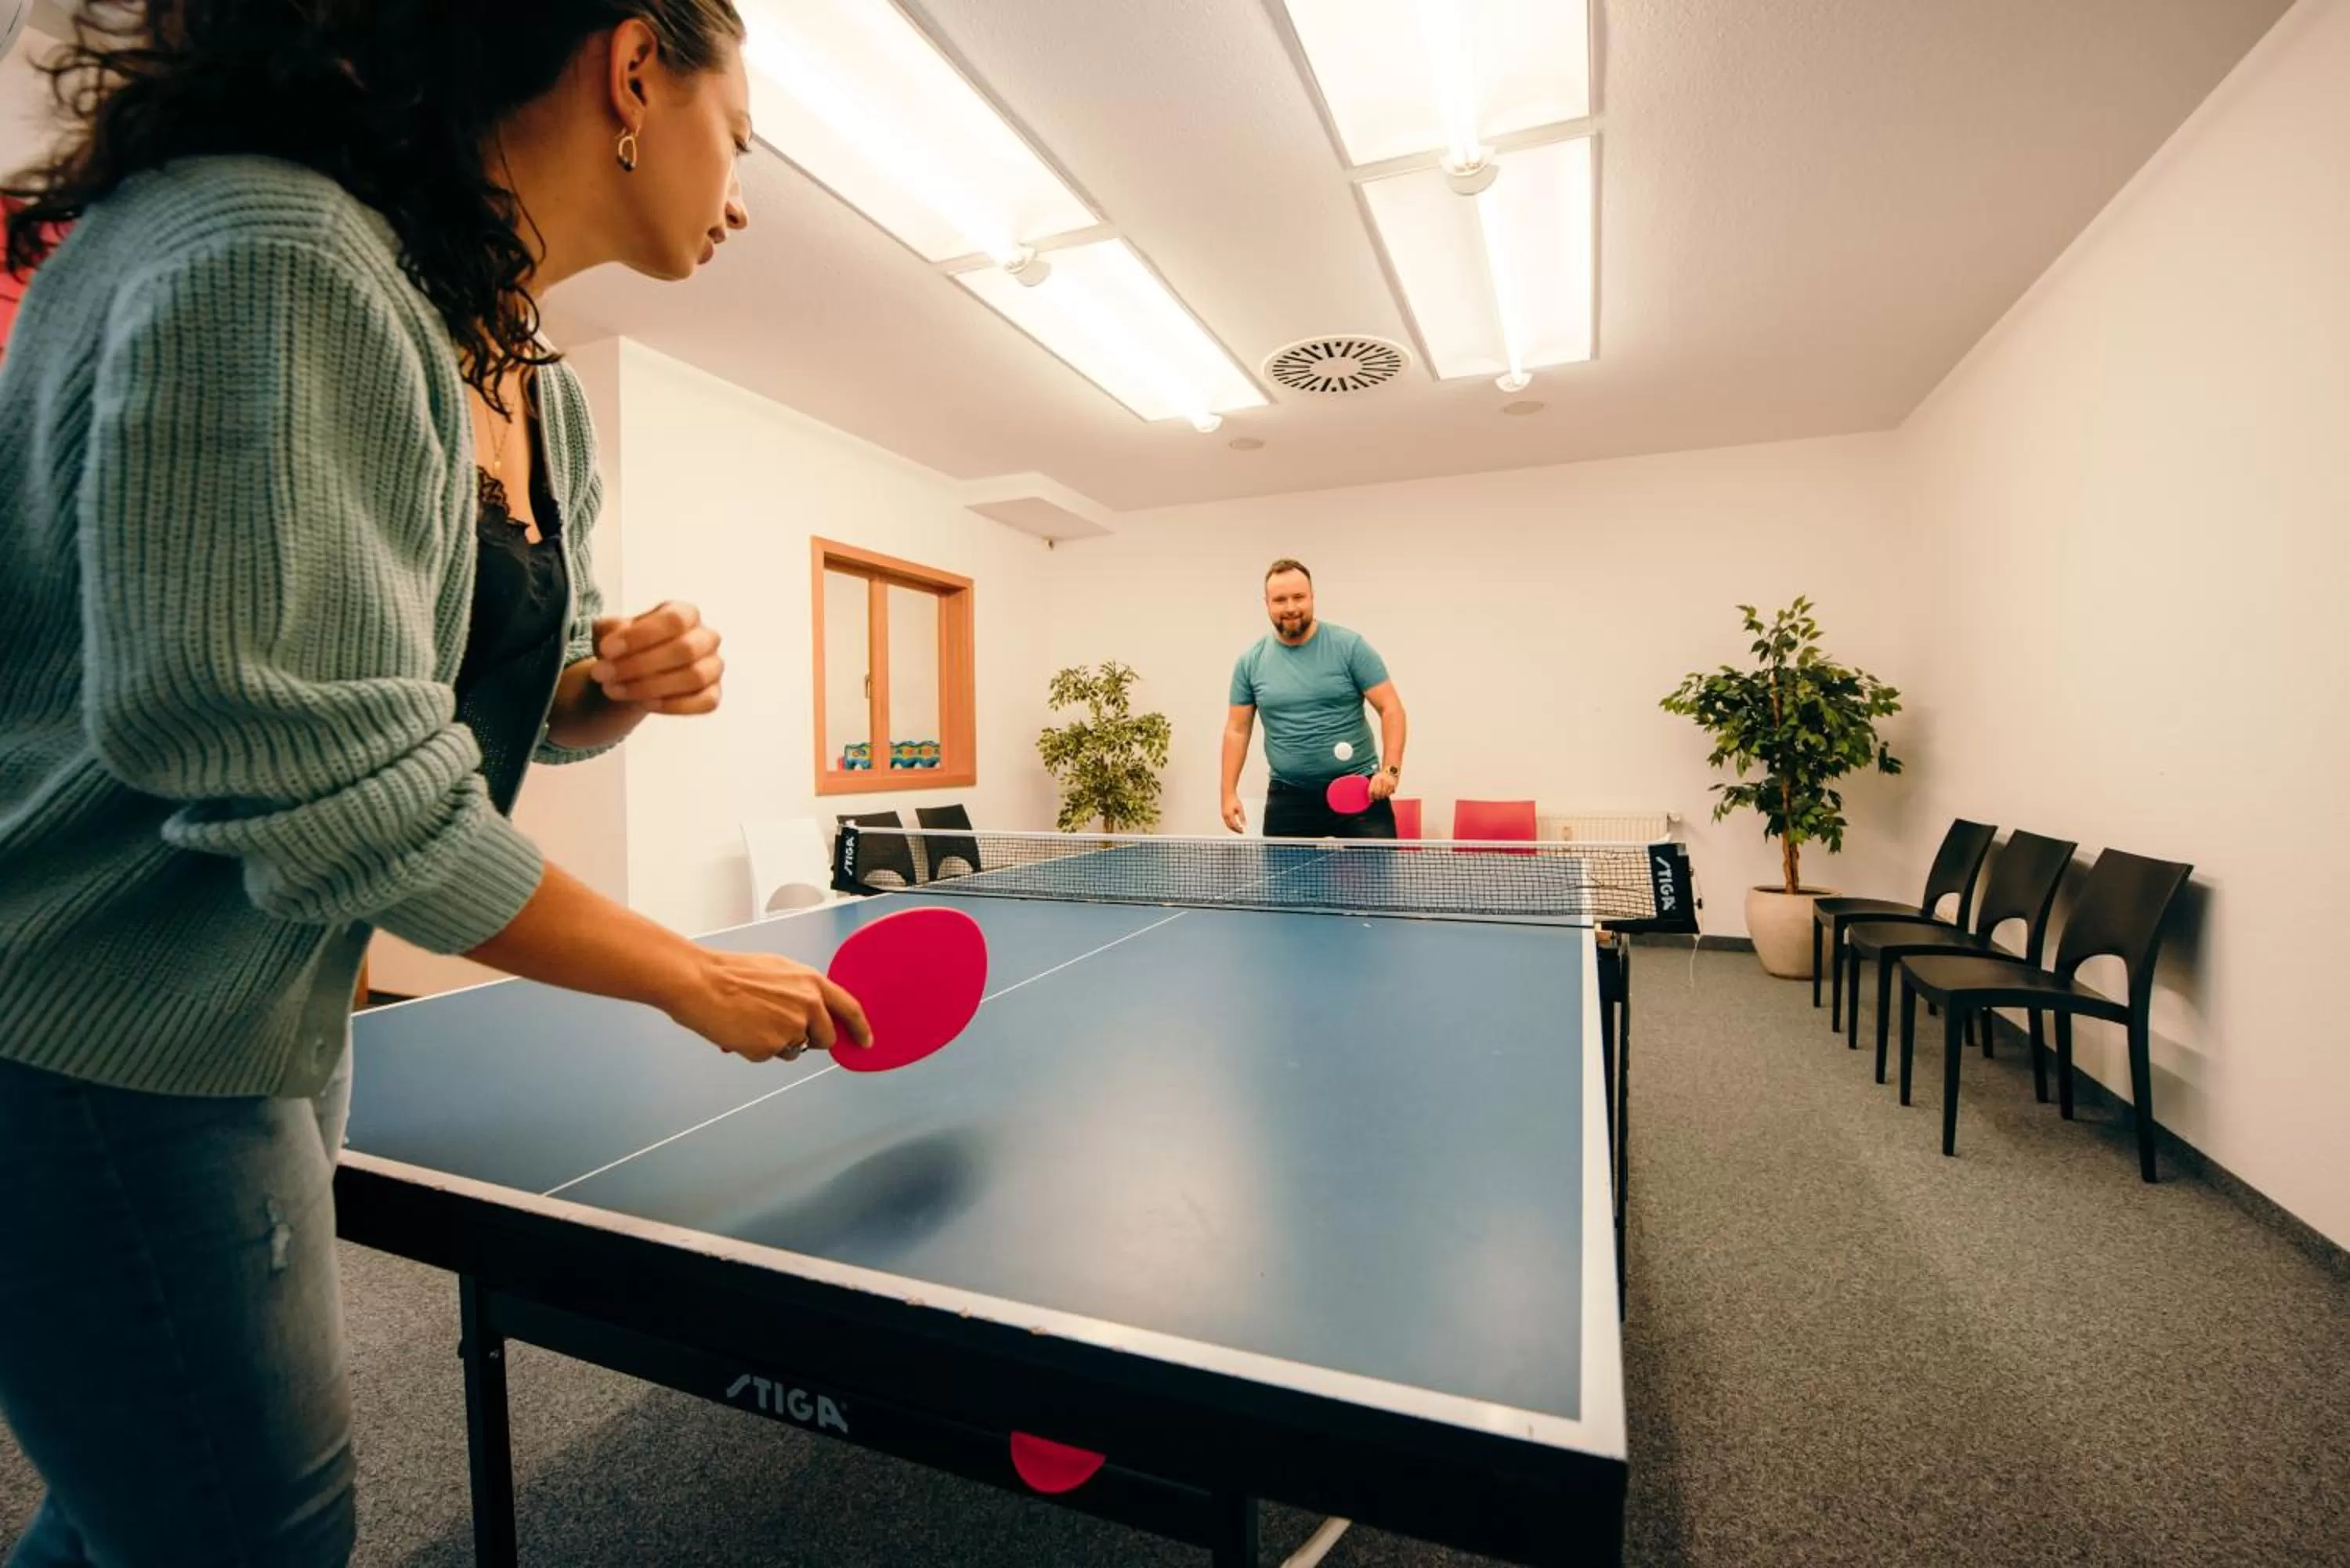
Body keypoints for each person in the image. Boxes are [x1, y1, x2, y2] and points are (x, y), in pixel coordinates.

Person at [0, 5, 870, 1563]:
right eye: (739, 141)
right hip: (88, 1026)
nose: (740, 199)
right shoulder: (276, 255)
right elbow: (321, 772)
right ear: (633, 70)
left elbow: (474, 712)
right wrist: (684, 972)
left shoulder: (536, 381)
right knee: (246, 1528)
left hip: (265, 998)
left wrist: (609, 686)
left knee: (140, 1495)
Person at [1220, 558, 1408, 838]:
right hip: (1288, 798)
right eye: (1280, 599)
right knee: (1286, 872)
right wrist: (1228, 793)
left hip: (1360, 791)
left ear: (1312, 597)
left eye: (1299, 597)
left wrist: (1390, 771)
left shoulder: (1350, 647)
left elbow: (1391, 708)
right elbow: (1237, 730)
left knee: (1374, 871)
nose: (1291, 607)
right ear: (1267, 603)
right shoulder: (1250, 662)